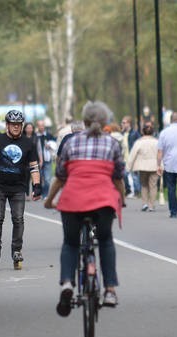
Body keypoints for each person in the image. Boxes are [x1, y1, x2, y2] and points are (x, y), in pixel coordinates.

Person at [44, 101, 126, 316]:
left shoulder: (71, 143)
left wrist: (49, 200)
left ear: (85, 120)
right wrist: (122, 199)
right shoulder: (112, 144)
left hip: (73, 200)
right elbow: (118, 179)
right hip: (103, 200)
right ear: (105, 121)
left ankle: (67, 284)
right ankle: (109, 290)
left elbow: (60, 178)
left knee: (71, 243)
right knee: (106, 241)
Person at [0, 110, 42, 268]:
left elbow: (34, 167)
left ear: (22, 125)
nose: (16, 127)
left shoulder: (28, 143)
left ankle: (17, 250)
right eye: (13, 124)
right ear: (7, 125)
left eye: (19, 124)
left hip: (18, 187)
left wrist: (37, 185)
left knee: (18, 219)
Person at [127, 122, 159, 212]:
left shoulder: (139, 142)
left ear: (143, 132)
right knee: (153, 186)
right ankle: (152, 205)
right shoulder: (157, 142)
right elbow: (161, 154)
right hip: (154, 166)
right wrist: (162, 166)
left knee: (144, 185)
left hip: (142, 166)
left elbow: (132, 155)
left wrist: (128, 167)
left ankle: (144, 204)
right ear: (152, 132)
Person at [121, 115, 142, 197]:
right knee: (124, 175)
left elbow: (139, 143)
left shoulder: (135, 133)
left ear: (128, 123)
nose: (122, 124)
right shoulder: (122, 134)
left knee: (135, 176)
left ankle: (137, 192)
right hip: (124, 158)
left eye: (124, 122)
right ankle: (128, 190)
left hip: (133, 158)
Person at [35, 119, 56, 192]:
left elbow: (54, 145)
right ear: (37, 126)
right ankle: (40, 192)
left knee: (47, 179)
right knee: (39, 178)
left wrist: (49, 146)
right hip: (37, 160)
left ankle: (46, 193)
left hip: (47, 159)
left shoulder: (49, 135)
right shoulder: (35, 136)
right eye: (40, 126)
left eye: (42, 125)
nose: (41, 127)